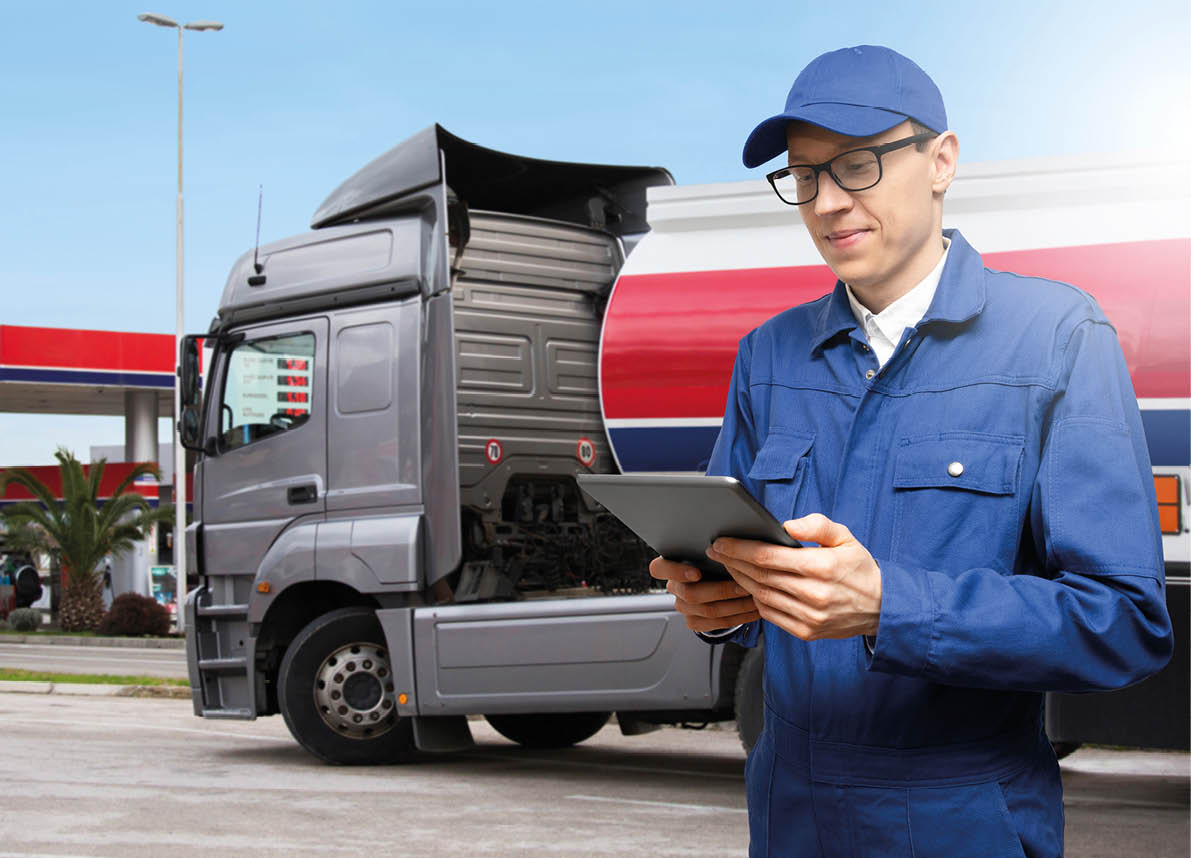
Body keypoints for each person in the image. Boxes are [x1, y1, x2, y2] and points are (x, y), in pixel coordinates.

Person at [650, 45, 1172, 858]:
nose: (826, 202)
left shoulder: (1056, 337)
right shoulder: (768, 357)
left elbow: (1124, 624)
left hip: (962, 821)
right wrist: (724, 608)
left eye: (856, 165)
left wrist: (891, 607)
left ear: (941, 160)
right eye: (804, 176)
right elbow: (754, 579)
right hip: (791, 817)